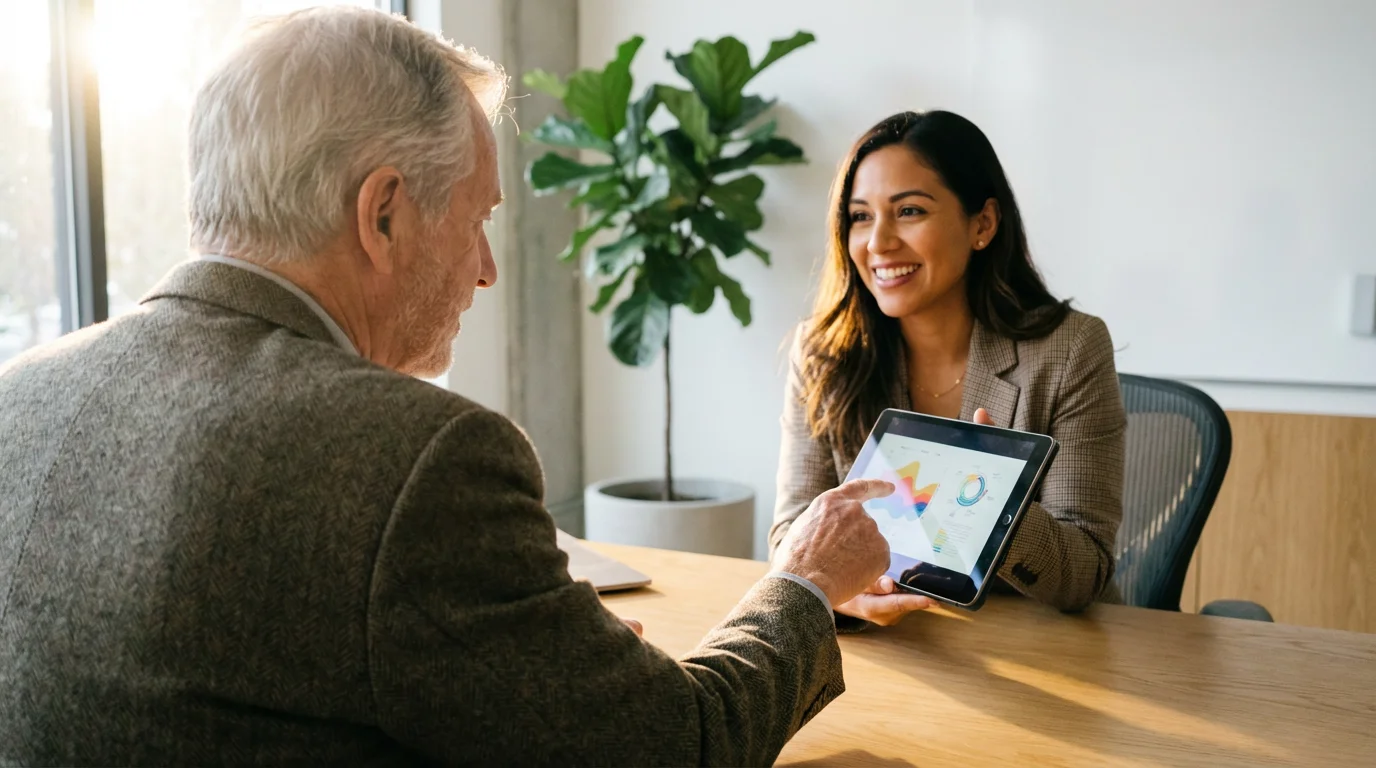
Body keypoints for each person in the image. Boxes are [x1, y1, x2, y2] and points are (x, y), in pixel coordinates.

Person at [0, 8, 894, 765]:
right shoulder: (420, 460)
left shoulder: (17, 395)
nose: (487, 270)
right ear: (383, 213)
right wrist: (806, 581)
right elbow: (679, 744)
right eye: (480, 221)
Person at [770, 110, 1127, 627]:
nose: (878, 243)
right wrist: (845, 595)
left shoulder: (1070, 348)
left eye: (909, 211)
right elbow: (789, 538)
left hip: (1039, 644)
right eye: (860, 216)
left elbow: (1085, 571)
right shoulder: (823, 351)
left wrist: (996, 504)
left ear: (982, 224)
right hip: (894, 648)